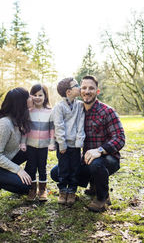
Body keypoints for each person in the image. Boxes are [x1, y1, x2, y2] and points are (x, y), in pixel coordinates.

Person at [51, 75, 125, 212]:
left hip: (107, 158)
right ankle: (93, 184)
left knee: (96, 164)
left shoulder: (107, 111)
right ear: (80, 91)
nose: (87, 91)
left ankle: (102, 197)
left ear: (97, 91)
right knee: (56, 172)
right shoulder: (77, 110)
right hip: (85, 159)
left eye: (91, 88)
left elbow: (120, 138)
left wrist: (100, 150)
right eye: (83, 88)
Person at [52, 77, 85, 205]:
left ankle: (72, 191)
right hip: (63, 144)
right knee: (63, 167)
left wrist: (79, 143)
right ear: (68, 92)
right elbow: (58, 126)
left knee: (75, 168)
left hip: (75, 144)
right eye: (76, 85)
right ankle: (62, 190)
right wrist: (62, 144)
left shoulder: (80, 105)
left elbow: (80, 124)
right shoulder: (59, 107)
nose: (80, 87)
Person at [20, 84, 55, 201]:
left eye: (40, 95)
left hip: (44, 145)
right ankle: (32, 189)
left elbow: (52, 129)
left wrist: (51, 142)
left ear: (45, 96)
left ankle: (42, 190)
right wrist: (23, 143)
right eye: (34, 95)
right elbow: (25, 130)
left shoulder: (50, 111)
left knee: (42, 167)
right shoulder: (29, 111)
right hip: (30, 144)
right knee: (31, 167)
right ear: (31, 96)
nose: (37, 97)